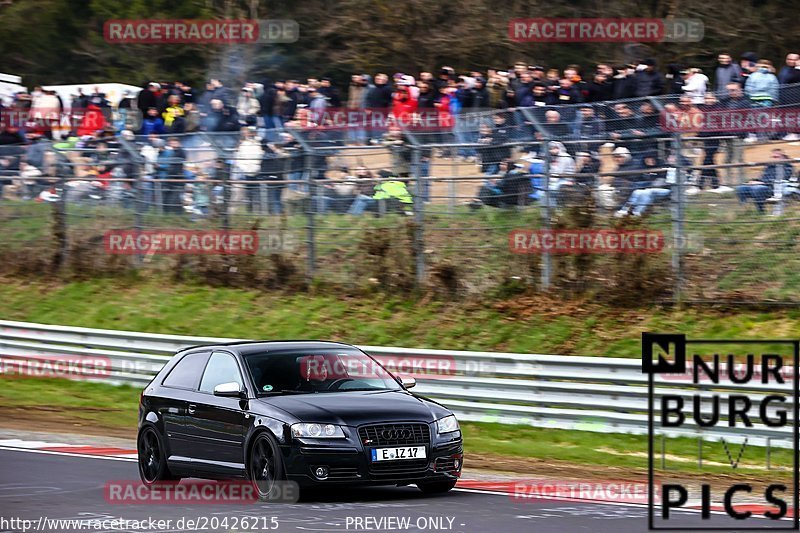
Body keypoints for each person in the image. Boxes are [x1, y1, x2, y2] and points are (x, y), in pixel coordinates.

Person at [736, 148, 794, 214]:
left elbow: (782, 179)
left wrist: (763, 183)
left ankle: (761, 211)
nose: (774, 158)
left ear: (783, 157)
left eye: (776, 157)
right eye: (773, 157)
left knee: (758, 189)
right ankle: (745, 210)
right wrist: (752, 181)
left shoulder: (787, 167)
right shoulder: (769, 166)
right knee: (741, 188)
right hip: (762, 185)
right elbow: (762, 178)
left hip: (774, 188)